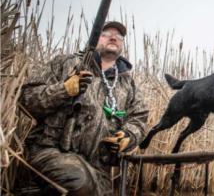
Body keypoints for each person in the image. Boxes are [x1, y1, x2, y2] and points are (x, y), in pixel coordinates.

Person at [19, 21, 149, 195]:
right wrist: (63, 90)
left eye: (119, 37)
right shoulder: (65, 63)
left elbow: (139, 118)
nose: (113, 37)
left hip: (98, 167)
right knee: (81, 184)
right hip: (51, 152)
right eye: (106, 34)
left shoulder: (128, 84)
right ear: (94, 40)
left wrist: (128, 136)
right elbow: (27, 98)